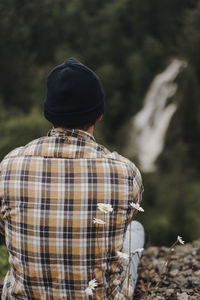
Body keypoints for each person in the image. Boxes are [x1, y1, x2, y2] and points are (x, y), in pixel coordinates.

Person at [0, 58, 144, 299]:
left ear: (49, 113)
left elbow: (5, 228)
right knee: (135, 228)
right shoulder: (126, 173)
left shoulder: (8, 167)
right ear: (99, 115)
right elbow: (124, 221)